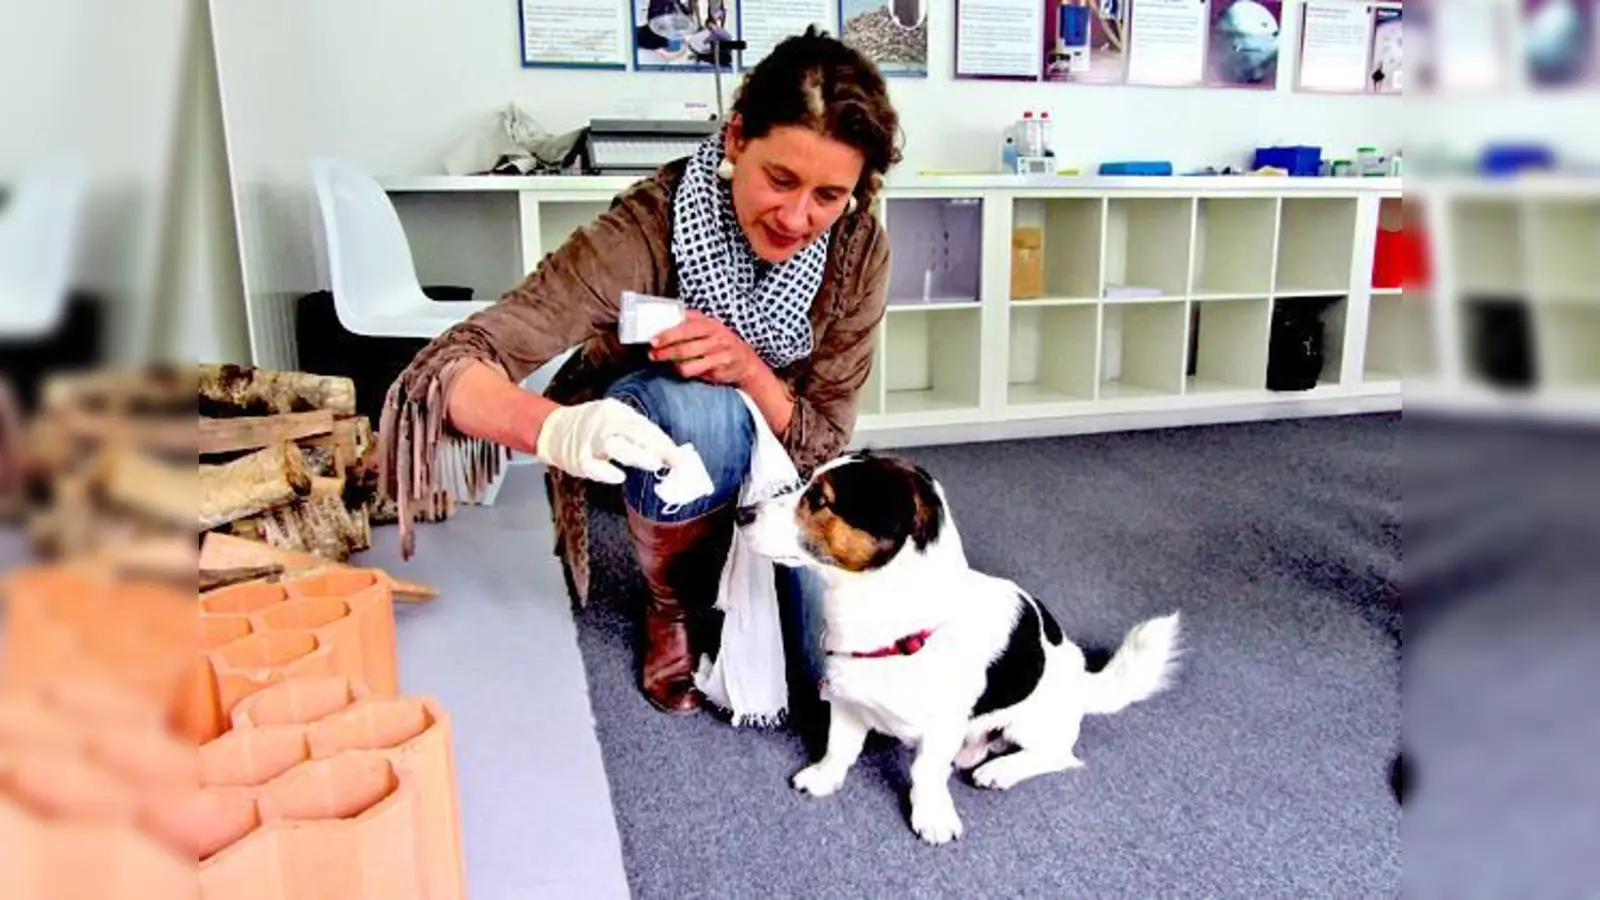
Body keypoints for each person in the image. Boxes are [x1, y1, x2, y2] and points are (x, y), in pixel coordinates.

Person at [377, 27, 902, 718]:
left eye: (829, 195)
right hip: (650, 435)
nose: (799, 217)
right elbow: (449, 366)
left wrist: (748, 368)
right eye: (780, 180)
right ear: (738, 138)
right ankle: (671, 605)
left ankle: (718, 550)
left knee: (811, 680)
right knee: (697, 408)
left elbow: (822, 440)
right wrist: (559, 428)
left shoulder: (858, 253)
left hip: (780, 465)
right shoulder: (645, 227)